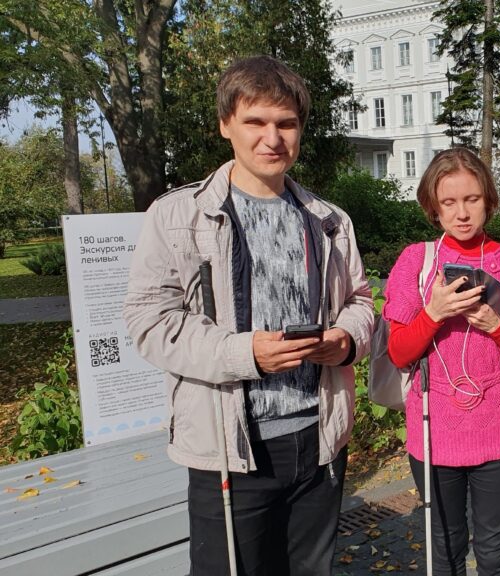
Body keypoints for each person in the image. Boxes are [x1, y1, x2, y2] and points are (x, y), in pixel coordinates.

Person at [123, 56, 374, 576]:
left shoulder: (329, 220)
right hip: (231, 446)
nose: (272, 138)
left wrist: (346, 340)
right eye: (255, 121)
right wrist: (245, 354)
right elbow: (150, 321)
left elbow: (360, 302)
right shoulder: (178, 215)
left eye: (286, 123)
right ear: (225, 125)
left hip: (320, 439)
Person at [383, 147, 500, 576]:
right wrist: (434, 312)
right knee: (445, 547)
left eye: (472, 199)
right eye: (449, 202)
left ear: (488, 200)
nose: (461, 213)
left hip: (497, 427)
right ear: (433, 207)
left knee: (494, 551)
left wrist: (497, 325)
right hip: (434, 429)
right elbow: (399, 352)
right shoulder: (416, 261)